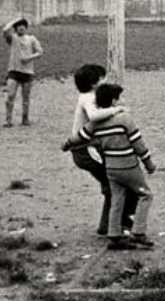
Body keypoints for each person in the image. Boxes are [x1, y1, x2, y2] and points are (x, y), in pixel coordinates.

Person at [62, 83, 157, 250]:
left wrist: (67, 144)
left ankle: (114, 235)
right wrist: (149, 163)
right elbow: (138, 144)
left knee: (117, 198)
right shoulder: (124, 119)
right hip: (128, 166)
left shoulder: (95, 124)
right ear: (114, 101)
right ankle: (139, 232)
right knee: (145, 195)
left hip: (111, 168)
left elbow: (80, 137)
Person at [68, 64, 138, 236]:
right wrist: (117, 109)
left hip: (86, 149)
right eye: (102, 78)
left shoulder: (88, 97)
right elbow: (93, 116)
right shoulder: (88, 98)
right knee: (116, 182)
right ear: (94, 83)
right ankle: (117, 221)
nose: (105, 81)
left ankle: (109, 223)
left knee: (111, 183)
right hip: (86, 150)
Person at [2, 17, 43, 127]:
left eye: (23, 26)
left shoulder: (31, 39)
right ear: (15, 28)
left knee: (26, 97)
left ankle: (25, 119)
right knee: (10, 96)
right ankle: (8, 120)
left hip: (27, 72)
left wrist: (29, 58)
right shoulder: (13, 39)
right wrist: (15, 20)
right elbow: (5, 30)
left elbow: (40, 52)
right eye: (18, 26)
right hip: (14, 71)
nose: (21, 28)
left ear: (26, 28)